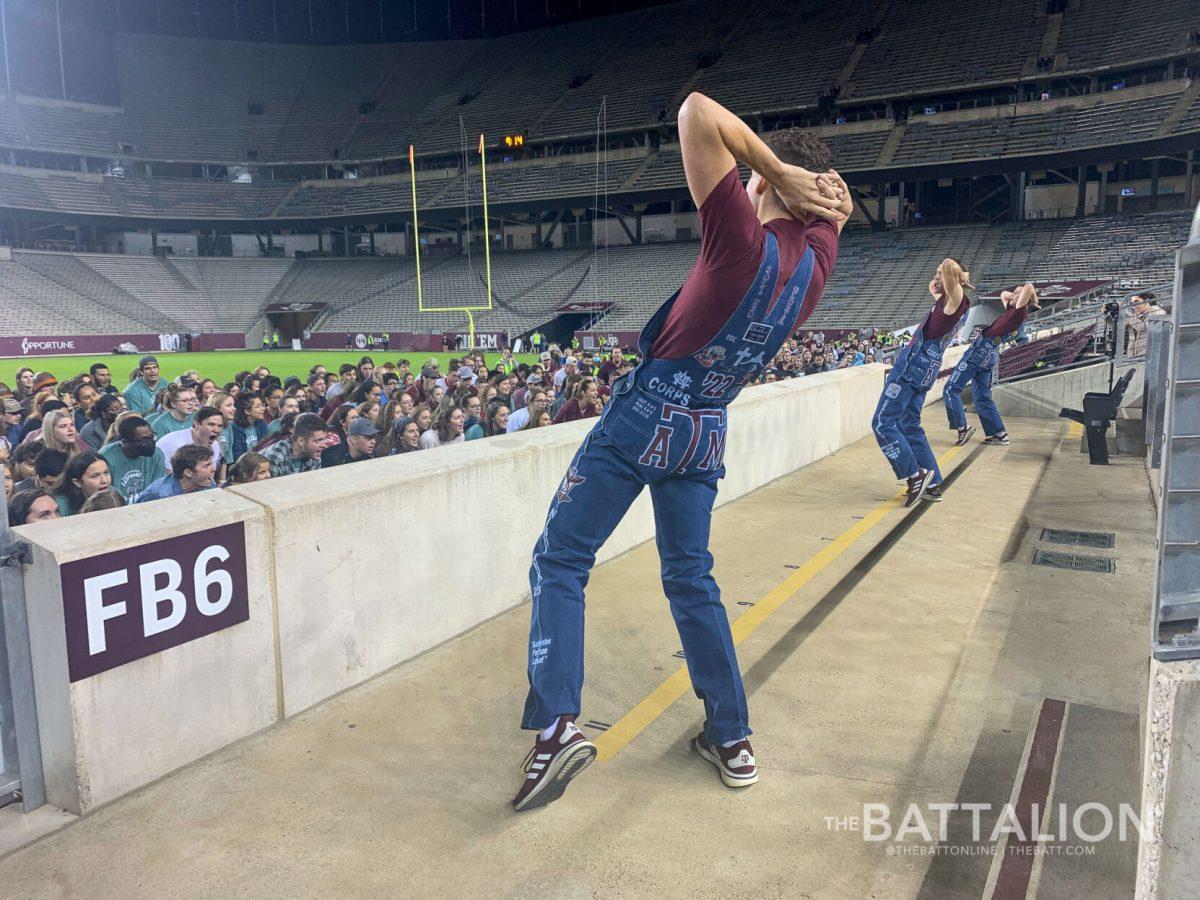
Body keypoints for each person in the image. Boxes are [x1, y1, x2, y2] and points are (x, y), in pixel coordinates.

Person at [512, 91, 849, 812]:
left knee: (561, 559)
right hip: (705, 434)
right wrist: (821, 202)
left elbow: (697, 111)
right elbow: (833, 220)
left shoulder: (738, 238)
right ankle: (731, 736)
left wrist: (775, 172)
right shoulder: (816, 264)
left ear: (766, 183)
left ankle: (555, 727)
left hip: (645, 417)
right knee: (692, 581)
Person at [872, 258, 972, 507]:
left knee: (882, 423)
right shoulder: (948, 305)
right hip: (923, 370)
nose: (937, 275)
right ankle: (934, 481)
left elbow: (950, 265)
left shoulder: (956, 300)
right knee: (910, 424)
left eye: (940, 273)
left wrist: (957, 275)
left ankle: (916, 474)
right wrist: (936, 288)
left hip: (910, 369)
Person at [944, 283, 1038, 453]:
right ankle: (998, 433)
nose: (1013, 295)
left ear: (1025, 299)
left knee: (951, 389)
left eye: (1018, 293)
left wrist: (1026, 297)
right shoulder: (1013, 311)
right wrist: (1016, 296)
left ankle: (962, 428)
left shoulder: (1018, 313)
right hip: (989, 355)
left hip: (979, 352)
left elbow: (1029, 287)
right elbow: (1003, 294)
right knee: (982, 397)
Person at [99, 416, 166, 504]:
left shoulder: (157, 455)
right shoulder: (105, 458)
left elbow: (156, 491)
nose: (150, 443)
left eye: (151, 437)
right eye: (144, 440)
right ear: (125, 441)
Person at [158, 405, 225, 476]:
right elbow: (171, 479)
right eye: (211, 425)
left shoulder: (214, 445)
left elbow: (209, 476)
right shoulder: (173, 444)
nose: (216, 430)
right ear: (197, 424)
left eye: (219, 426)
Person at [136, 444, 217, 503]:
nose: (214, 469)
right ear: (188, 473)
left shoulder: (209, 483)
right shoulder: (158, 495)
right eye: (207, 466)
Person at [261, 413, 327, 478]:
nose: (324, 445)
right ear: (301, 441)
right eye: (318, 441)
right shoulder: (275, 458)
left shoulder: (314, 454)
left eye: (324, 439)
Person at [54, 451, 112, 516]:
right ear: (77, 482)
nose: (104, 480)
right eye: (95, 476)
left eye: (106, 472)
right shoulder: (60, 505)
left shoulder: (114, 493)